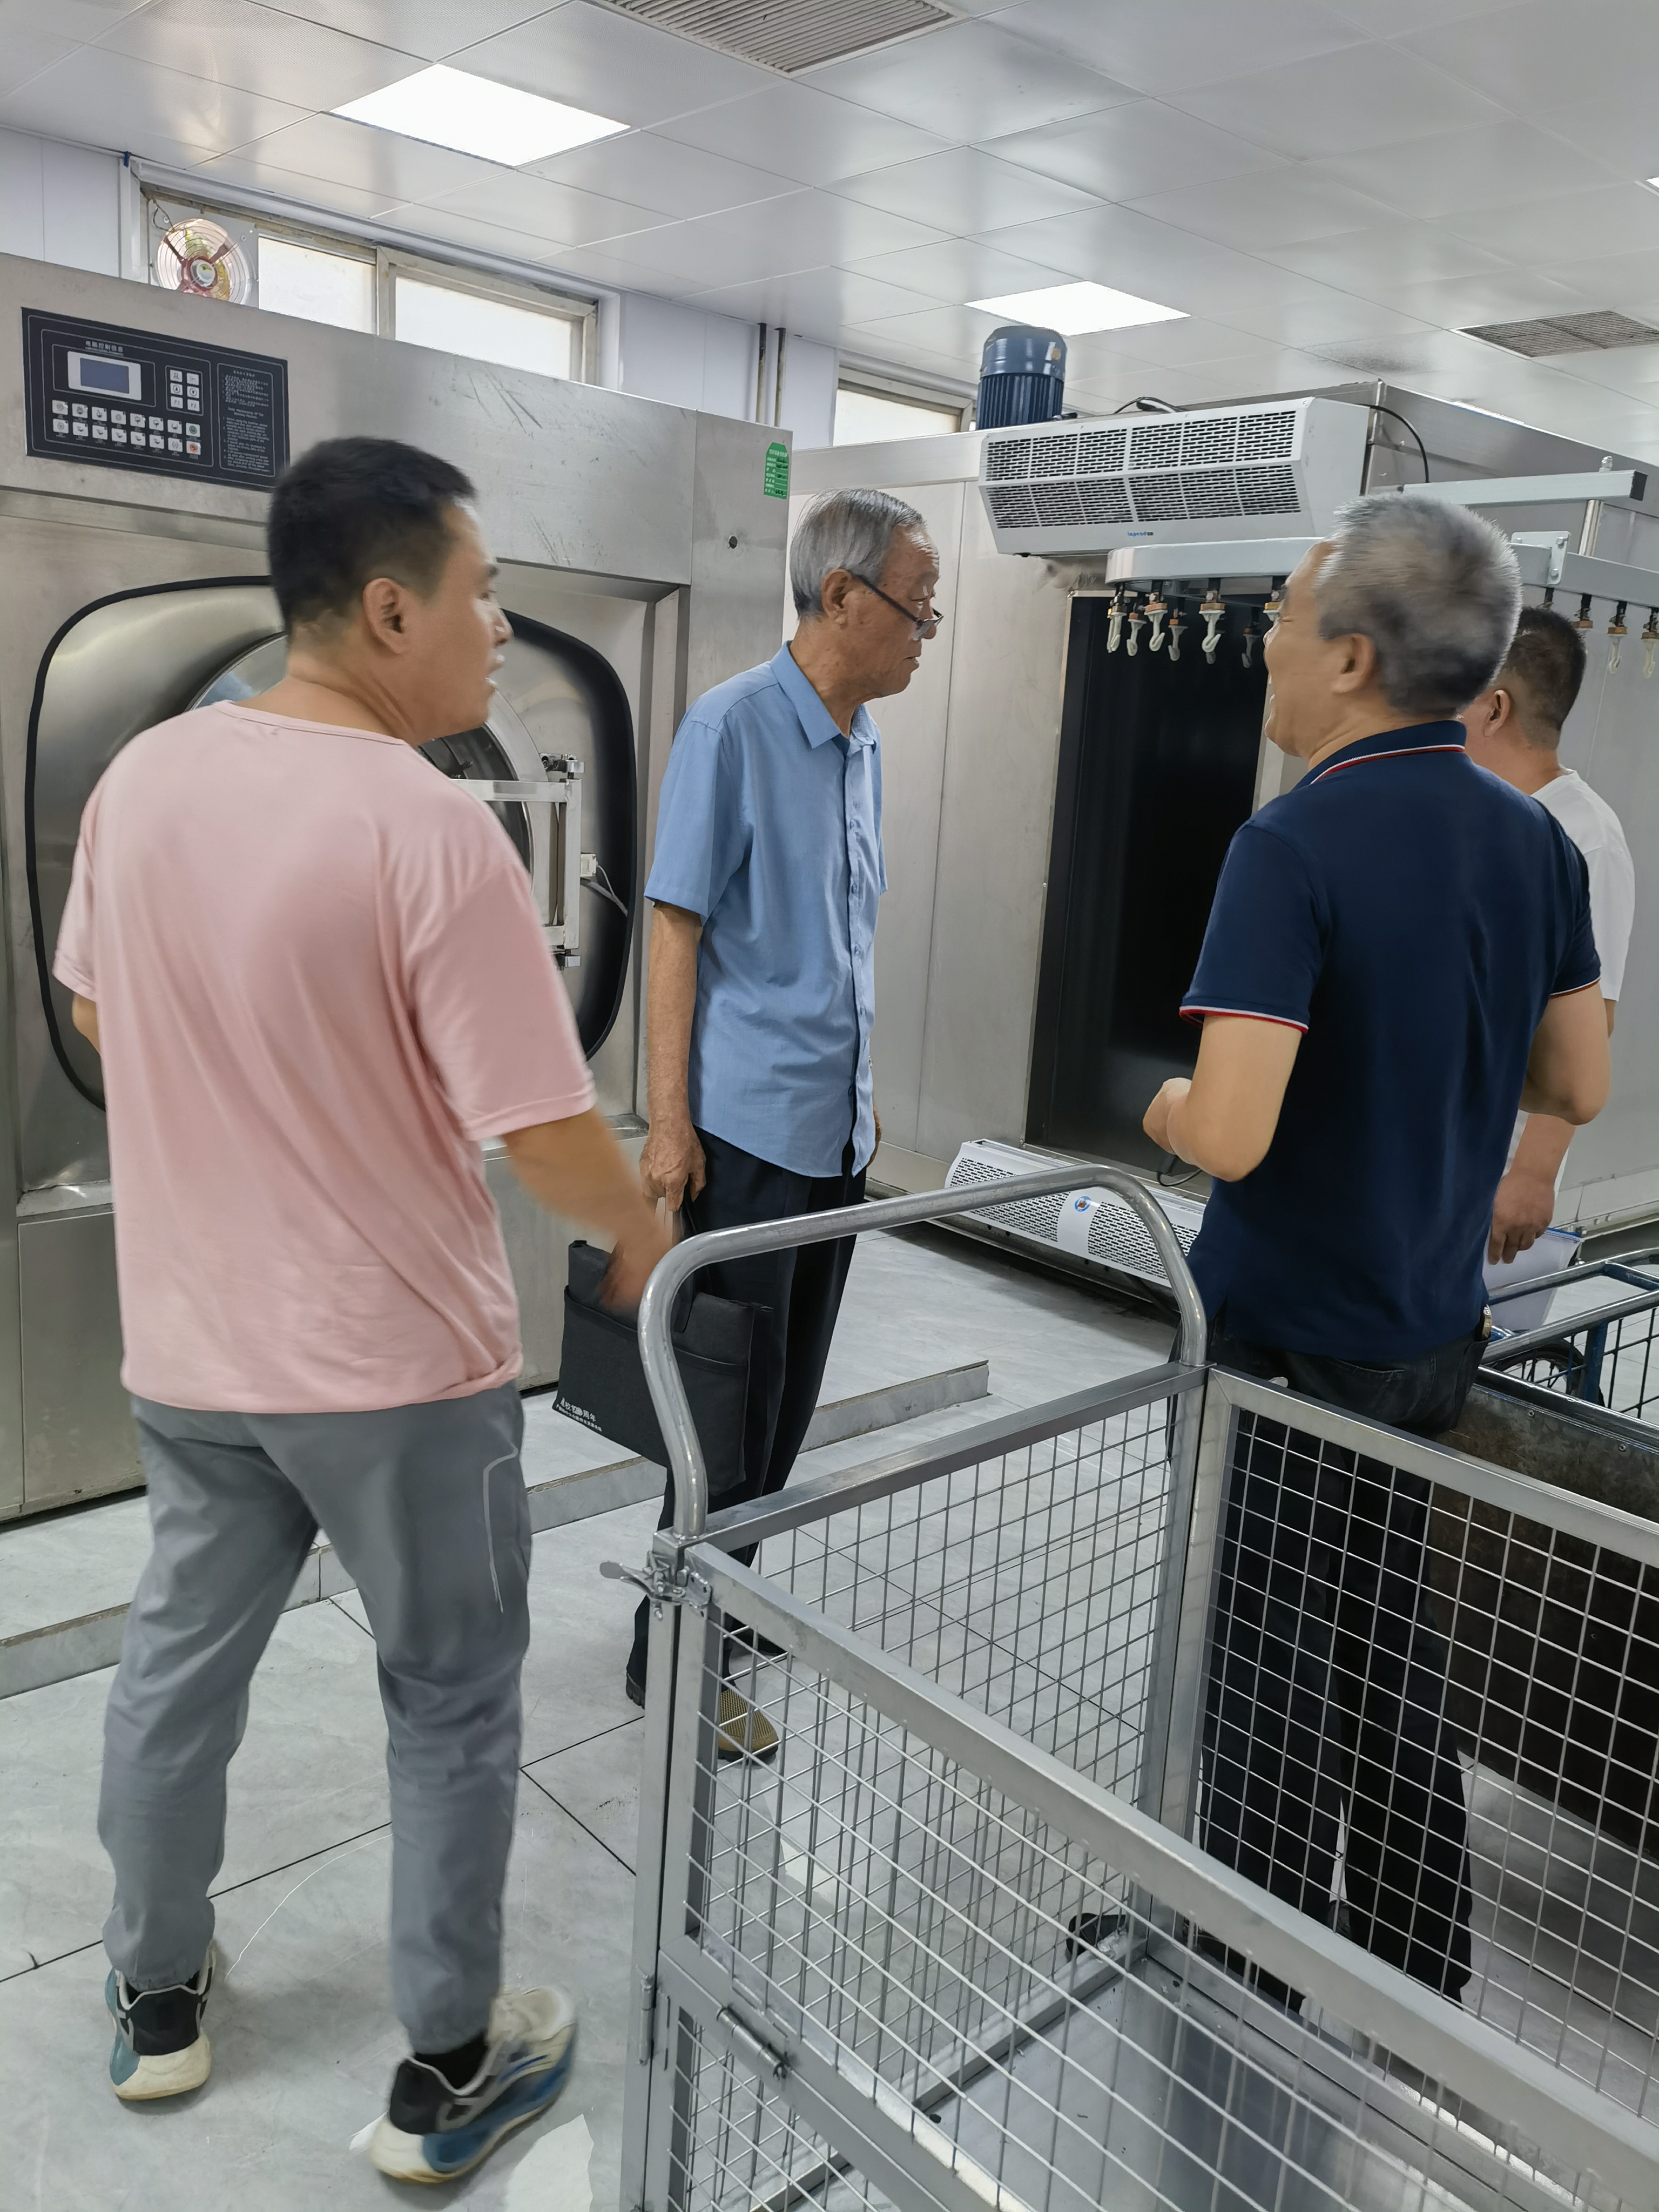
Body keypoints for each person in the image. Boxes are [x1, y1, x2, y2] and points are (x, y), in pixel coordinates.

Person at [54, 437, 670, 2183]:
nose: (498, 630)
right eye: (484, 595)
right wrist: (639, 1229)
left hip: (196, 1350)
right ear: (392, 608)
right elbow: (544, 1129)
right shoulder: (429, 828)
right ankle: (452, 2068)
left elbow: (97, 1015)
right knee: (453, 1700)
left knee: (176, 1671)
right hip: (398, 1369)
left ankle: (157, 1998)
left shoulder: (145, 781)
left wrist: (252, 1090)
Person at [1143, 494, 1609, 2002]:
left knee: (1266, 1676)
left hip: (1287, 1344)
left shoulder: (1289, 845)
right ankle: (1416, 1965)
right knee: (1389, 1643)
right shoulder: (1533, 842)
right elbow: (1576, 1082)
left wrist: (1159, 1102)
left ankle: (1247, 1983)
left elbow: (1231, 1133)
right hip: (1425, 1333)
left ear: (1350, 658)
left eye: (1284, 618)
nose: (1265, 647)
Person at [628, 487, 940, 1729]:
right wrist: (667, 1120)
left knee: (787, 1407)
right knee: (726, 1414)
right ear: (841, 596)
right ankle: (673, 1658)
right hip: (746, 1136)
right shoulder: (733, 727)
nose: (925, 632)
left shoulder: (864, 744)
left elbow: (840, 942)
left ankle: (723, 1604)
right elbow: (674, 928)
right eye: (917, 607)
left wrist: (861, 1101)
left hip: (834, 1135)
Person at [1459, 604, 1635, 1271]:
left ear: (1495, 708)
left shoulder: (1585, 837)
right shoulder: (1477, 812)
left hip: (1500, 1162)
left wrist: (1532, 1174)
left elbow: (1592, 1021)